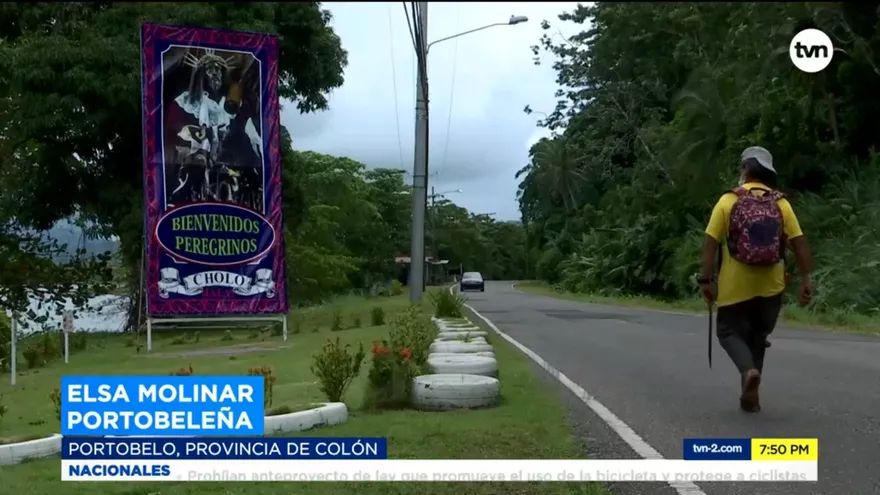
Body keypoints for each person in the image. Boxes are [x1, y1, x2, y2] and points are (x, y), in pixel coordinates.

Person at [698, 146, 813, 413]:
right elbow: (799, 243)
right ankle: (751, 396)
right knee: (758, 337)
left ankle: (748, 372)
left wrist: (705, 280)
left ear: (745, 169)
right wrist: (806, 279)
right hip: (771, 288)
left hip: (735, 288)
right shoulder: (781, 204)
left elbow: (710, 243)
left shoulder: (728, 201)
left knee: (727, 331)